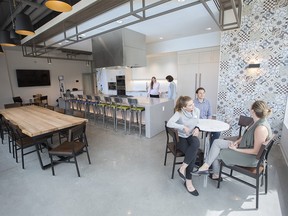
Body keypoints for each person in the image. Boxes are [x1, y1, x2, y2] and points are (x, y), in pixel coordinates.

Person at [195, 100, 273, 181]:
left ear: (253, 111)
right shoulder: (255, 121)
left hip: (250, 158)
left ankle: (215, 174)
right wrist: (236, 142)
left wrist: (236, 149)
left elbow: (256, 151)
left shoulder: (261, 128)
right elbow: (244, 135)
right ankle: (206, 166)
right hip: (243, 146)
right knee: (217, 142)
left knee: (217, 153)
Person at [167, 96, 201, 196]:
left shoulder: (196, 110)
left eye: (193, 103)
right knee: (192, 154)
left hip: (191, 135)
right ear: (183, 107)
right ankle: (189, 181)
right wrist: (182, 127)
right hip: (181, 137)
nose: (193, 106)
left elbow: (198, 121)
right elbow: (169, 123)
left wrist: (197, 128)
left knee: (196, 143)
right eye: (190, 105)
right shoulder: (179, 113)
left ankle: (182, 168)